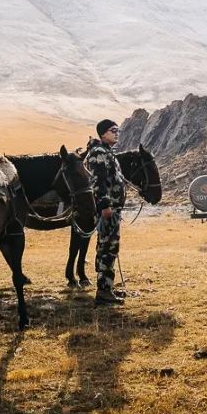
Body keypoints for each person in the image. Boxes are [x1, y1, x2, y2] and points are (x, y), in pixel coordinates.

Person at [86, 119, 127, 305]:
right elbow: (98, 182)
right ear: (103, 133)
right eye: (113, 130)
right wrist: (104, 206)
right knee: (106, 248)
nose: (117, 133)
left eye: (118, 130)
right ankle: (103, 292)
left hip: (113, 209)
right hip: (107, 211)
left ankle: (107, 287)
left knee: (110, 247)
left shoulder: (108, 152)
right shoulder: (99, 153)